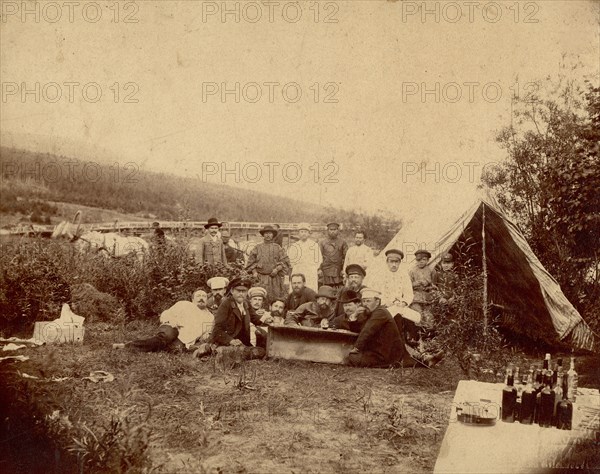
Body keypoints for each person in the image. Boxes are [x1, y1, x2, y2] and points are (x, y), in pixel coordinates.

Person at [113, 289, 213, 352]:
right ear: (192, 299)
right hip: (173, 327)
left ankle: (132, 347)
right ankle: (126, 346)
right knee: (165, 338)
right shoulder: (184, 304)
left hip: (185, 339)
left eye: (203, 296)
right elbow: (167, 313)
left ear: (207, 299)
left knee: (172, 349)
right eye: (198, 296)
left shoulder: (210, 317)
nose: (201, 298)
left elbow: (207, 333)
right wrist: (171, 321)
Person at [207, 277, 268, 359]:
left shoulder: (246, 304)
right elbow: (217, 330)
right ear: (232, 291)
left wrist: (266, 319)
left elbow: (255, 318)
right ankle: (218, 351)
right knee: (245, 353)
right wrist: (231, 341)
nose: (241, 294)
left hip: (242, 342)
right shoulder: (226, 305)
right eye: (238, 291)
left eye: (244, 291)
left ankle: (240, 353)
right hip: (227, 341)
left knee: (261, 351)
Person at [344, 288, 406, 368]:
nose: (365, 304)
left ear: (377, 302)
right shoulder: (370, 313)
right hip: (377, 351)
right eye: (364, 301)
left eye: (368, 301)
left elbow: (367, 331)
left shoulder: (381, 312)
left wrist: (356, 348)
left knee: (351, 358)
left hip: (387, 355)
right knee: (349, 356)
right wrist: (355, 316)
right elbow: (358, 330)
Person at [246, 225, 291, 303]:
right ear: (263, 235)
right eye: (266, 233)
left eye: (270, 233)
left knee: (275, 300)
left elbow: (285, 262)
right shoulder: (257, 247)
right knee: (260, 300)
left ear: (273, 235)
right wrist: (254, 272)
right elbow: (250, 263)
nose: (268, 235)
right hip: (261, 279)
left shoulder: (278, 248)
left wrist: (277, 269)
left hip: (275, 279)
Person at [409, 250, 438, 330]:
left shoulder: (432, 271)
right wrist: (416, 283)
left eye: (424, 259)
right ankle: (416, 336)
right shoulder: (412, 271)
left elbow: (434, 285)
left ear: (428, 260)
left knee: (428, 316)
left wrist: (428, 285)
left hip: (427, 298)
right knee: (417, 316)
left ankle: (427, 336)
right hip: (416, 298)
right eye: (419, 260)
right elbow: (407, 286)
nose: (421, 262)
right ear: (416, 260)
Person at [288, 223, 322, 292]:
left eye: (306, 232)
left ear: (309, 233)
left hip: (310, 271)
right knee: (297, 287)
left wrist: (313, 268)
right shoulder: (294, 246)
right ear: (298, 233)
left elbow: (318, 260)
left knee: (310, 288)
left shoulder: (314, 245)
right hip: (298, 270)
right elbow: (291, 260)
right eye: (302, 232)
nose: (304, 234)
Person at [319, 222, 348, 290]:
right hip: (325, 270)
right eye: (331, 230)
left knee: (339, 289)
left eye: (334, 230)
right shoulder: (322, 242)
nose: (333, 232)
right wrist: (319, 269)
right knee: (325, 289)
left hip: (338, 269)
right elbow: (319, 257)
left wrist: (343, 269)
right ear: (327, 230)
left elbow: (346, 257)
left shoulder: (342, 242)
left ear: (338, 230)